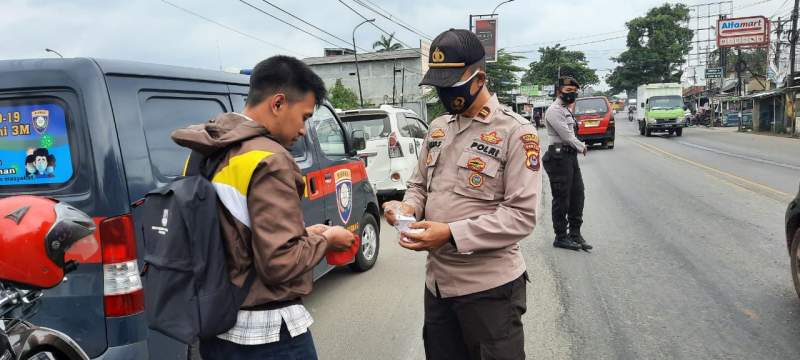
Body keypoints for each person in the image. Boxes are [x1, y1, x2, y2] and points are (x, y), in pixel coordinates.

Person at [171, 55, 355, 360]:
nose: (303, 130)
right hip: (268, 336)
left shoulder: (203, 151)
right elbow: (280, 263)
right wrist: (327, 239)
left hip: (216, 327)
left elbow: (234, 234)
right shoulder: (270, 159)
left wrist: (303, 234)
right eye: (305, 117)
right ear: (279, 103)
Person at [383, 28, 540, 360]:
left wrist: (451, 234)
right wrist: (405, 207)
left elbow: (521, 216)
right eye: (437, 86)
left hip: (489, 291)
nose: (443, 94)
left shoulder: (515, 132)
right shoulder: (438, 128)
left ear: (478, 78)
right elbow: (419, 186)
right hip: (438, 287)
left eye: (450, 85)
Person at [542, 76, 592, 251]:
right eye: (568, 91)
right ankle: (561, 237)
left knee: (578, 195)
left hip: (569, 157)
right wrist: (581, 147)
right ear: (558, 91)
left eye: (574, 92)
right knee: (562, 198)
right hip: (558, 157)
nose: (572, 94)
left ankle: (575, 234)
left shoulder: (565, 109)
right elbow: (566, 135)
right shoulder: (554, 110)